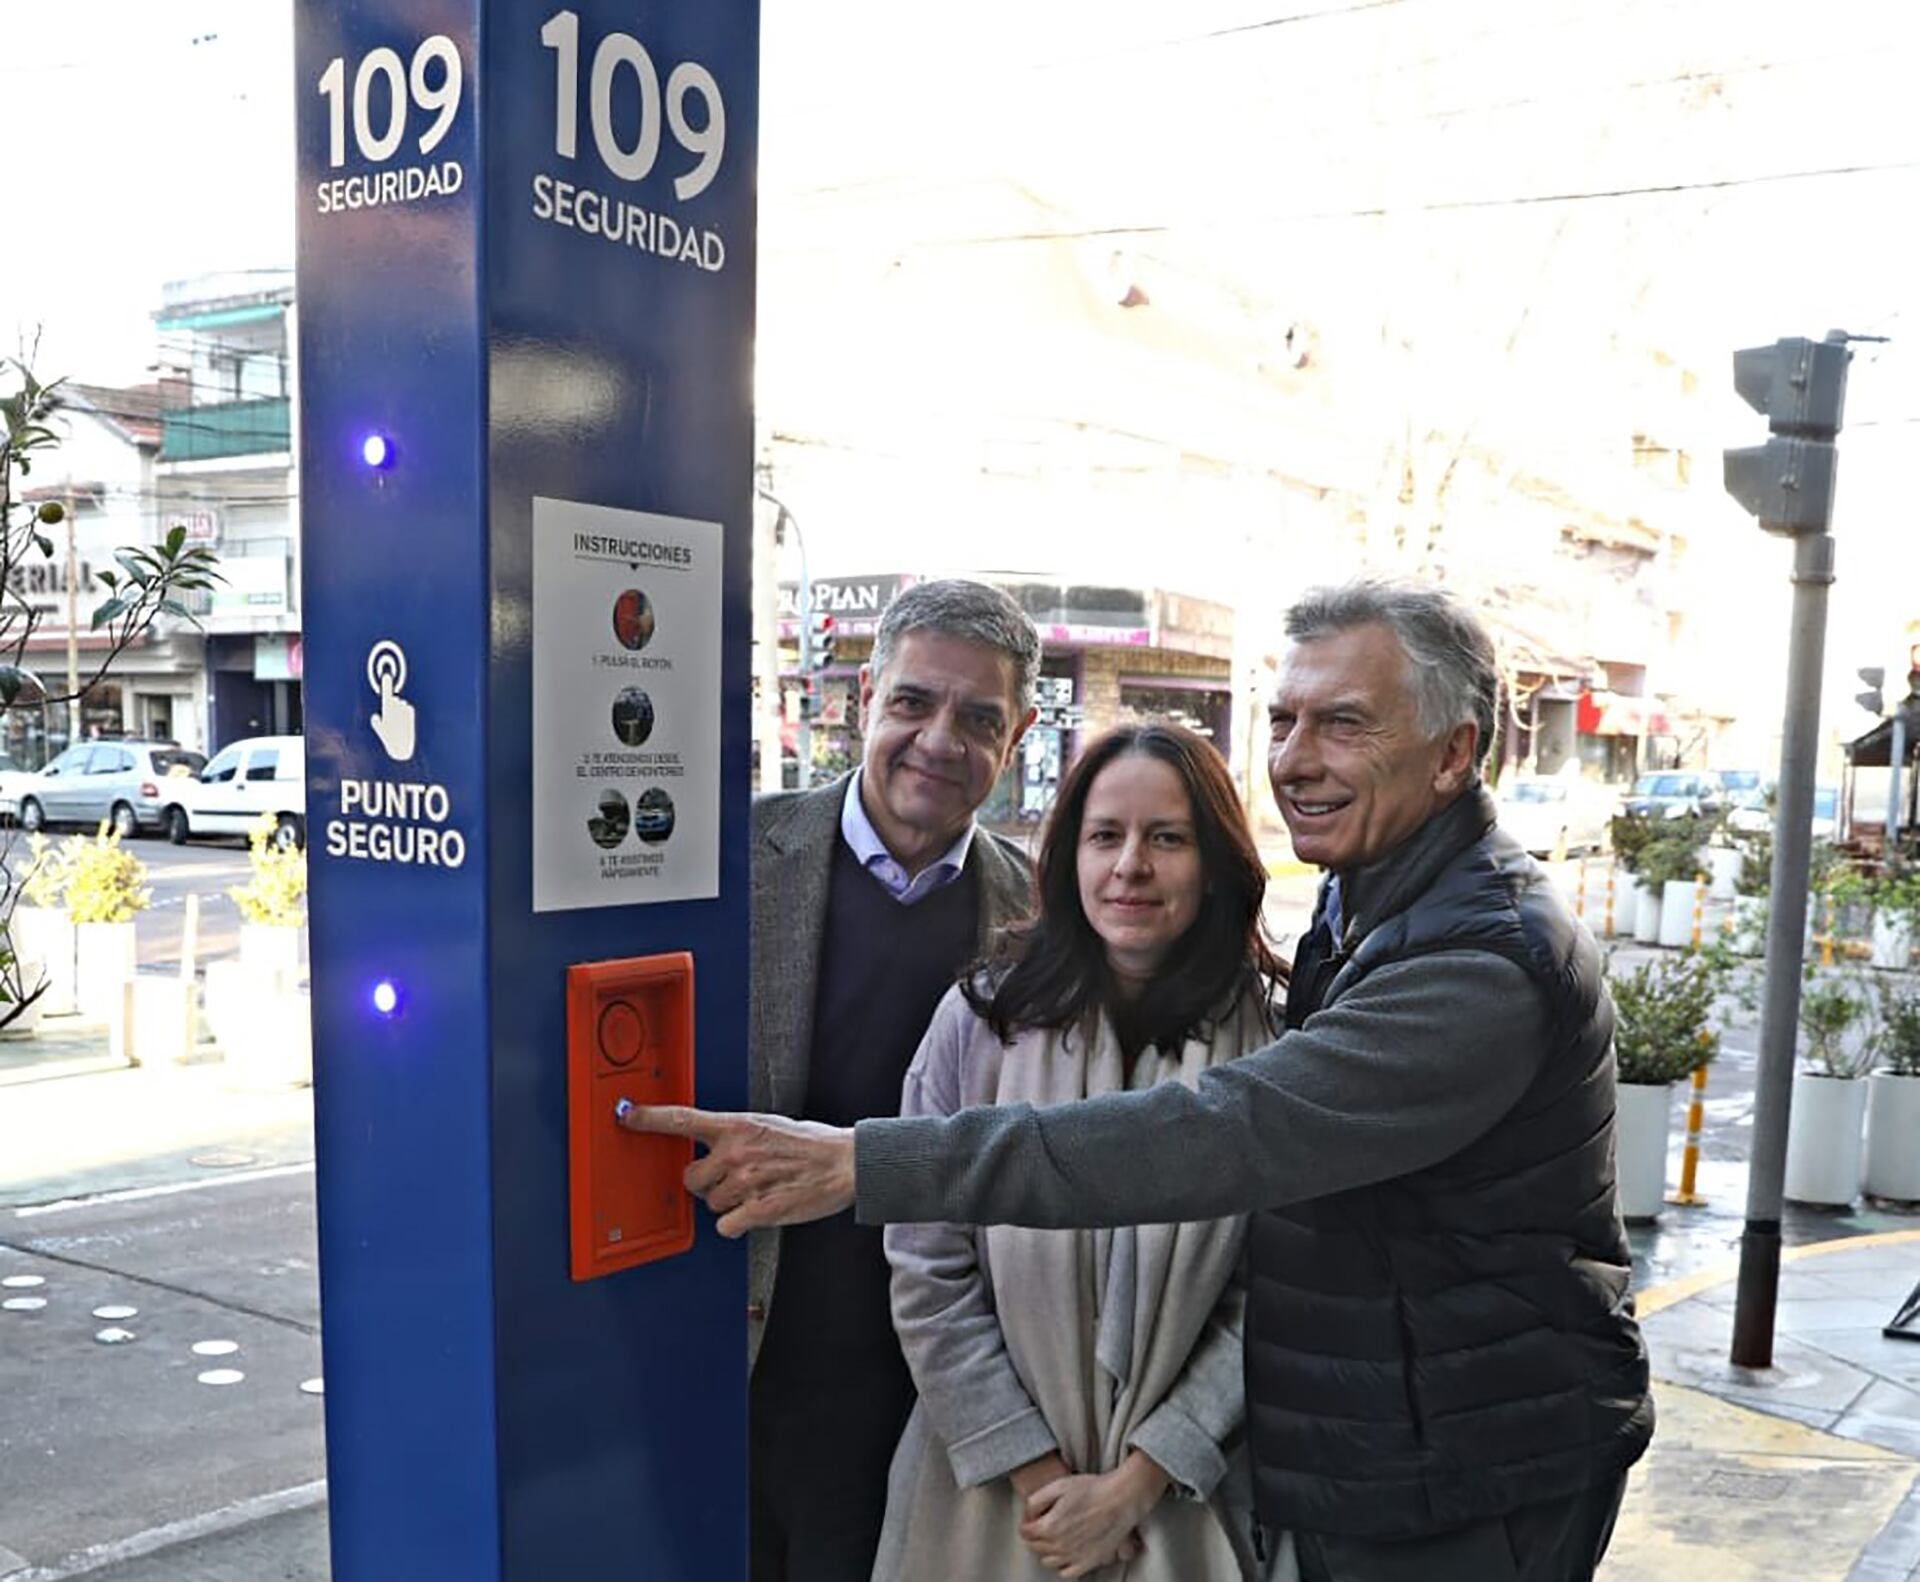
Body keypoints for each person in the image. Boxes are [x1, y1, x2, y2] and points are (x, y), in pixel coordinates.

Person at [625, 579, 1653, 1582]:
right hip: (869, 1421)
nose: (1298, 759)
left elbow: (1229, 1143)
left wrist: (860, 1159)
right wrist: (1023, 1455)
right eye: (1286, 720)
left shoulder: (1473, 958)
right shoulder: (1364, 908)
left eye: (1343, 723)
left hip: (1461, 1466)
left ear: (1454, 751)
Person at [875, 721, 1288, 1582]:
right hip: (990, 1497)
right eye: (1105, 836)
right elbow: (926, 1268)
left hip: (1180, 1502)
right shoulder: (981, 1019)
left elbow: (1275, 1291)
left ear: (1213, 864)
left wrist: (1139, 1481)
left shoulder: (1274, 1046)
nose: (1129, 865)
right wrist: (1041, 1479)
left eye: (1166, 838)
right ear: (1067, 857)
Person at [745, 578, 1039, 1582]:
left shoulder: (1046, 919)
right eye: (914, 702)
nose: (938, 740)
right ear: (866, 693)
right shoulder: (734, 859)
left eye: (979, 717)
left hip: (918, 1403)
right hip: (730, 1371)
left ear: (1020, 733)